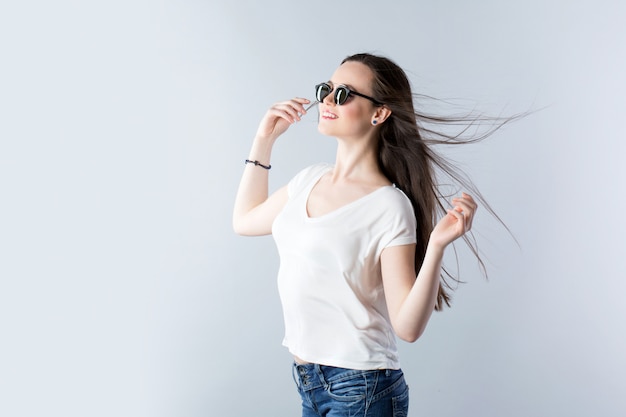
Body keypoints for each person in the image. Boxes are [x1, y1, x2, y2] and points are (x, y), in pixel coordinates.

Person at [233, 53, 485, 417]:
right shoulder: (308, 179)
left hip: (363, 389)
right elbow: (244, 221)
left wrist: (436, 247)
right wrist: (264, 139)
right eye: (327, 89)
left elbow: (408, 327)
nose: (327, 99)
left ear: (379, 113)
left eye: (344, 93)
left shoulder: (389, 206)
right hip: (309, 382)